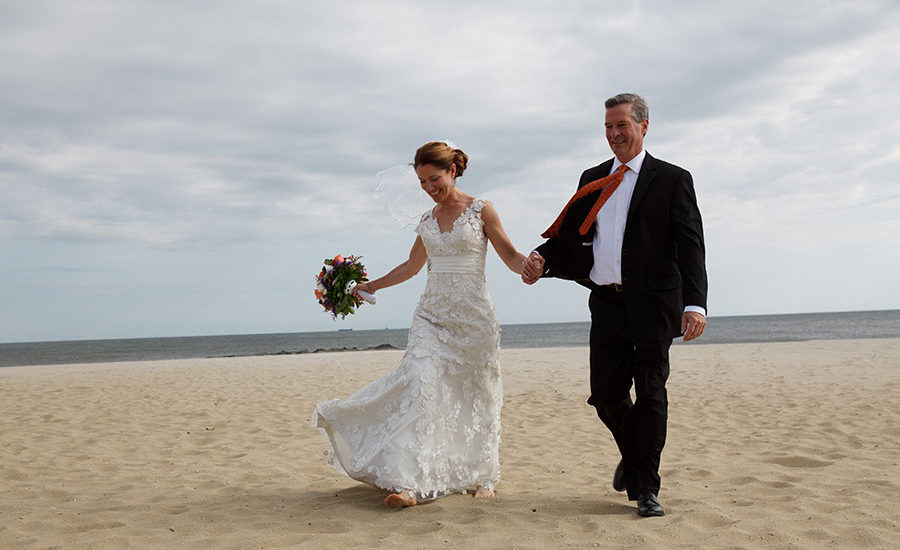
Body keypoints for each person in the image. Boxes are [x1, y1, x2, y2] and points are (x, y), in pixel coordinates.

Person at [522, 93, 708, 517]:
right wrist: (541, 259)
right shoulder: (593, 177)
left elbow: (691, 244)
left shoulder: (672, 179)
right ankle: (637, 457)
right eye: (608, 127)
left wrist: (695, 304)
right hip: (607, 303)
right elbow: (569, 236)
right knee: (606, 396)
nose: (614, 134)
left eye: (621, 125)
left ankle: (647, 489)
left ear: (644, 126)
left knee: (651, 392)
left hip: (656, 305)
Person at [314, 141, 528, 508]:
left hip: (473, 320)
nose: (429, 188)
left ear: (453, 171)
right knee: (420, 386)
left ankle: (482, 474)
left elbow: (509, 254)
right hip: (431, 317)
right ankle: (409, 484)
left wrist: (530, 267)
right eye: (422, 182)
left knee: (476, 394)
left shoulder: (481, 210)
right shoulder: (427, 221)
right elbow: (411, 268)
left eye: (434, 179)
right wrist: (370, 285)